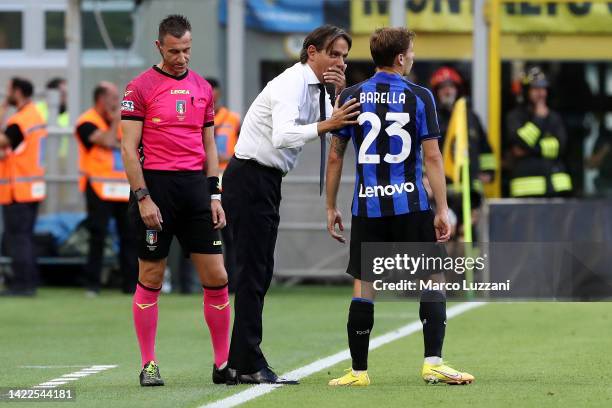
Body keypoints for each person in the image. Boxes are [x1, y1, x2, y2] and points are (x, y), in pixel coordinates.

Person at [325, 27, 474, 386]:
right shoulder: (420, 96)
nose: (413, 58)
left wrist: (330, 206)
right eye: (412, 52)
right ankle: (433, 362)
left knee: (364, 284)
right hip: (411, 204)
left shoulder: (352, 95)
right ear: (400, 58)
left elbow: (335, 157)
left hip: (367, 207)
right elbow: (433, 156)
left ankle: (359, 372)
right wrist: (441, 208)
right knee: (432, 278)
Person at [223, 24, 359, 385]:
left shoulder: (313, 86)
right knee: (254, 272)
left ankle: (238, 360)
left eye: (344, 56)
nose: (339, 61)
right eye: (333, 53)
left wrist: (339, 92)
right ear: (311, 52)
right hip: (251, 177)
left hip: (263, 180)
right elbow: (283, 135)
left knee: (259, 271)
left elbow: (329, 121)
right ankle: (247, 361)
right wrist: (327, 122)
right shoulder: (290, 83)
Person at [120, 15, 231, 387]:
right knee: (150, 275)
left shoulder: (202, 88)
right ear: (158, 47)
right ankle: (148, 364)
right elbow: (128, 149)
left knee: (217, 276)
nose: (181, 57)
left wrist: (214, 194)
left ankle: (222, 363)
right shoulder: (139, 88)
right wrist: (143, 198)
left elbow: (209, 145)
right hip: (157, 190)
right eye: (173, 51)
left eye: (186, 50)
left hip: (195, 191)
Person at [75, 82, 137, 295]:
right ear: (101, 99)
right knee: (98, 235)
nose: (116, 101)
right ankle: (93, 284)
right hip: (98, 188)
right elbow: (109, 140)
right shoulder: (86, 122)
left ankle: (130, 285)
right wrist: (118, 119)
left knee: (129, 235)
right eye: (112, 97)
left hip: (122, 187)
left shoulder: (120, 121)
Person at [430, 66, 495, 239]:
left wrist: (488, 172)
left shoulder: (471, 118)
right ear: (436, 92)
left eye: (451, 86)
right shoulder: (431, 119)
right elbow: (426, 154)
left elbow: (485, 149)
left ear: (458, 89)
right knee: (445, 239)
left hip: (470, 194)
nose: (447, 91)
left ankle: (469, 267)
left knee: (469, 239)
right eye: (443, 87)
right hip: (443, 196)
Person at [0, 78, 47, 297]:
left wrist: (2, 109)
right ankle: (27, 282)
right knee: (25, 237)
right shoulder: (35, 115)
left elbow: (4, 141)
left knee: (18, 238)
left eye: (8, 91)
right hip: (32, 187)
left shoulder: (20, 120)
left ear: (16, 92)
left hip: (19, 190)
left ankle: (23, 285)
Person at [505, 67, 572, 198]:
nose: (541, 93)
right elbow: (520, 142)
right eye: (535, 89)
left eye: (543, 88)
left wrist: (529, 150)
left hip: (556, 188)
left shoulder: (554, 117)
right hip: (525, 188)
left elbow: (560, 147)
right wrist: (538, 119)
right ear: (526, 91)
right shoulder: (515, 116)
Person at [206, 77, 240, 291]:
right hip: (202, 181)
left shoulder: (233, 119)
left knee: (231, 236)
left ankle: (234, 285)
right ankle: (193, 284)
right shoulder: (193, 117)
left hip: (227, 181)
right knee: (201, 234)